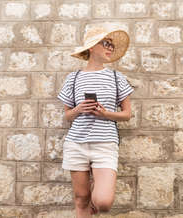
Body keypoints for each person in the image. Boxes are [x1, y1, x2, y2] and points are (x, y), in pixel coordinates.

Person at [57, 25, 133, 217]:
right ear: (91, 47)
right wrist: (78, 109)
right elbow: (67, 116)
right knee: (81, 199)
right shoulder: (73, 78)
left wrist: (106, 114)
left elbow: (127, 114)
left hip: (105, 144)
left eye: (112, 46)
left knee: (103, 202)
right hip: (76, 144)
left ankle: (95, 197)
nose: (110, 48)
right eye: (106, 43)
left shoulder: (117, 78)